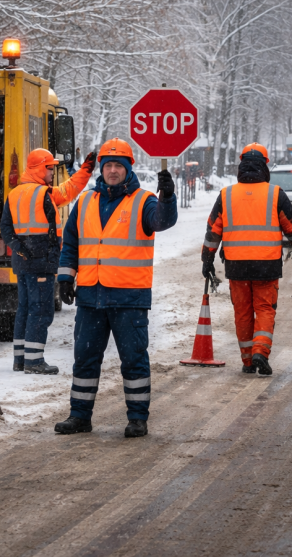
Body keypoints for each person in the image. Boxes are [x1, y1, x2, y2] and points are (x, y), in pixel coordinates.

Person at [54, 138, 177, 438]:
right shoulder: (85, 202)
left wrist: (168, 197)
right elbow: (70, 243)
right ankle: (79, 416)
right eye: (107, 165)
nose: (111, 171)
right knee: (84, 357)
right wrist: (66, 277)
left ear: (127, 169)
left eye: (117, 166)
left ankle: (137, 419)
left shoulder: (144, 201)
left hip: (129, 298)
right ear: (101, 169)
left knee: (134, 359)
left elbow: (163, 221)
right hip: (90, 296)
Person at [201, 143, 292, 375]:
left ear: (241, 166)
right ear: (265, 166)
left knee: (243, 312)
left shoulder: (226, 194)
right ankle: (260, 351)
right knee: (265, 309)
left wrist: (207, 259)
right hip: (266, 265)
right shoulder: (275, 194)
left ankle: (248, 361)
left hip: (236, 266)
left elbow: (213, 231)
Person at [0, 148, 96, 374]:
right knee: (41, 310)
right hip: (40, 259)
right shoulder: (44, 194)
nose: (52, 173)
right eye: (49, 169)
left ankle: (21, 359)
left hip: (23, 261)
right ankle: (34, 362)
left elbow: (5, 227)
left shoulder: (14, 194)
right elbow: (69, 191)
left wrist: (18, 248)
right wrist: (85, 170)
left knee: (25, 308)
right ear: (39, 169)